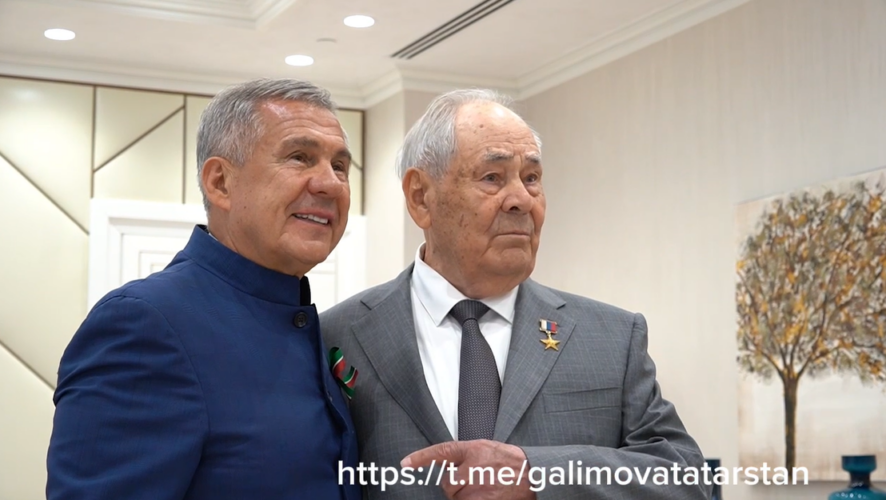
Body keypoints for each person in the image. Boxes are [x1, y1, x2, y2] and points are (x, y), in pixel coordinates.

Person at [319, 89, 708, 500]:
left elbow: (687, 479)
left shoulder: (612, 338)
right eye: (492, 177)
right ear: (420, 197)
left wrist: (538, 474)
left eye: (532, 178)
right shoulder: (337, 336)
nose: (522, 200)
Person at [46, 78, 361, 500]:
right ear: (220, 182)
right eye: (299, 158)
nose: (331, 184)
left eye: (339, 166)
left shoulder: (307, 324)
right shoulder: (143, 323)